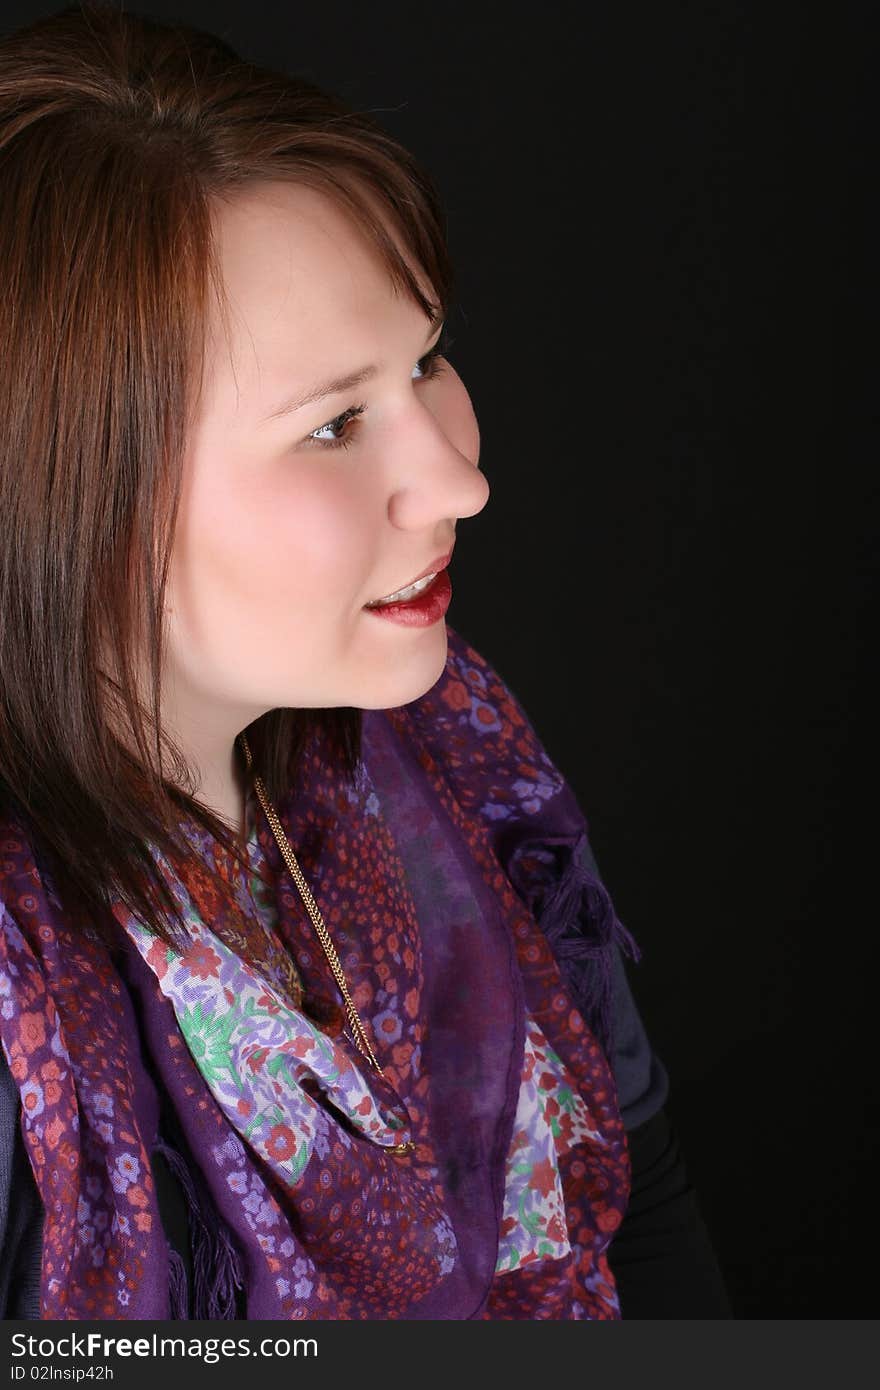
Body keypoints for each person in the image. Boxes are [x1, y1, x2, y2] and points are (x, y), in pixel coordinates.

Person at [0, 2, 731, 1320]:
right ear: (73, 500)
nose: (460, 477)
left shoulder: (451, 753)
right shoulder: (16, 1006)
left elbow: (649, 1207)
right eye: (336, 423)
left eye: (428, 359)